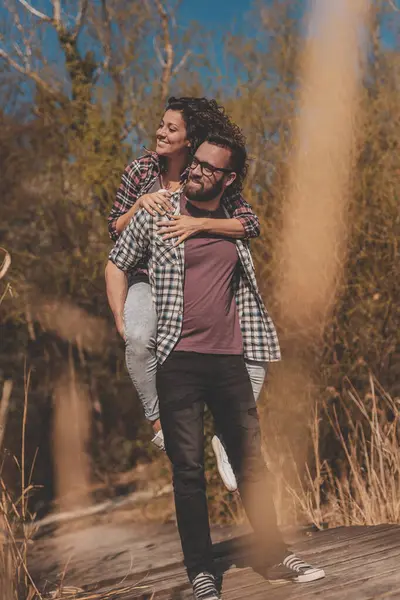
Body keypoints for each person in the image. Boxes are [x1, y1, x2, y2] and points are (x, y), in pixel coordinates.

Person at [105, 128, 325, 599]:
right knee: (187, 472)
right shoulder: (157, 210)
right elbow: (117, 261)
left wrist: (202, 225)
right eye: (196, 163)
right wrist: (126, 325)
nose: (197, 172)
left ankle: (273, 550)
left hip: (229, 361)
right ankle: (201, 570)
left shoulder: (233, 216)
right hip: (177, 361)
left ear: (229, 179)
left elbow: (255, 224)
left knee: (252, 464)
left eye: (209, 168)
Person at [108, 96, 266, 491]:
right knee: (139, 337)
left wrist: (197, 226)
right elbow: (115, 228)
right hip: (147, 271)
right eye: (161, 125)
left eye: (171, 129)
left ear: (189, 140)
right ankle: (160, 423)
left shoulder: (207, 175)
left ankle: (228, 442)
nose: (161, 132)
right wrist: (140, 206)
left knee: (256, 352)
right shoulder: (141, 170)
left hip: (194, 278)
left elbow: (249, 223)